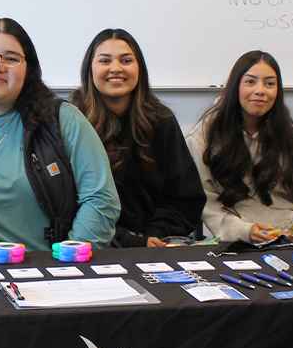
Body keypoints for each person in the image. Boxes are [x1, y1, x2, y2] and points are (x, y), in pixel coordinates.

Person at [0, 18, 119, 253]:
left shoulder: (63, 120)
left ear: (28, 70)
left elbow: (100, 199)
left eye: (11, 58)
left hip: (61, 272)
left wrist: (65, 259)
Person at [186, 51, 293, 244]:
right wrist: (243, 231)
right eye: (250, 82)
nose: (260, 90)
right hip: (238, 239)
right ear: (235, 86)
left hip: (290, 238)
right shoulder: (204, 137)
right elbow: (207, 203)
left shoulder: (288, 136)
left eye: (270, 83)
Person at [70, 29, 203, 247]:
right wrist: (126, 240)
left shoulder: (162, 121)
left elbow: (183, 198)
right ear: (89, 69)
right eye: (105, 60)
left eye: (126, 60)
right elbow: (67, 199)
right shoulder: (72, 122)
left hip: (155, 246)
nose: (116, 68)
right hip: (92, 244)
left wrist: (155, 236)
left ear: (139, 68)